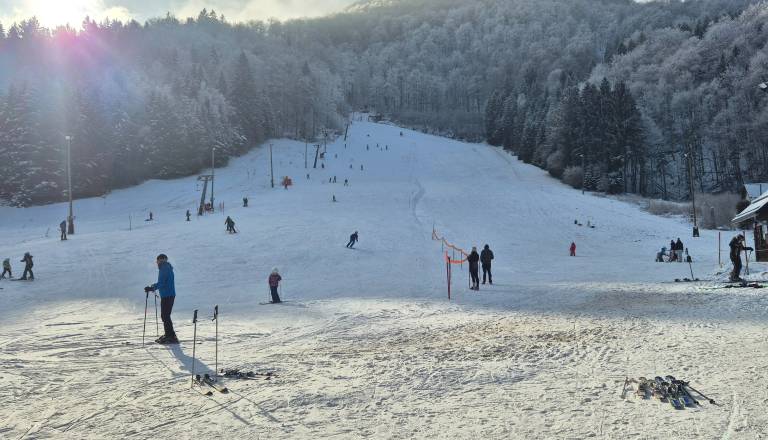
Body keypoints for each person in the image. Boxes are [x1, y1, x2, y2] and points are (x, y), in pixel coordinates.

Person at [145, 254, 178, 344]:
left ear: (161, 260)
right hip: (168, 294)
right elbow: (162, 282)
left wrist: (152, 288)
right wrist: (153, 286)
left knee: (165, 315)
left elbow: (162, 283)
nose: (157, 263)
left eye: (158, 261)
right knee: (165, 315)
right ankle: (169, 334)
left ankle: (170, 336)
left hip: (167, 295)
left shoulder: (164, 268)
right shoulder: (166, 267)